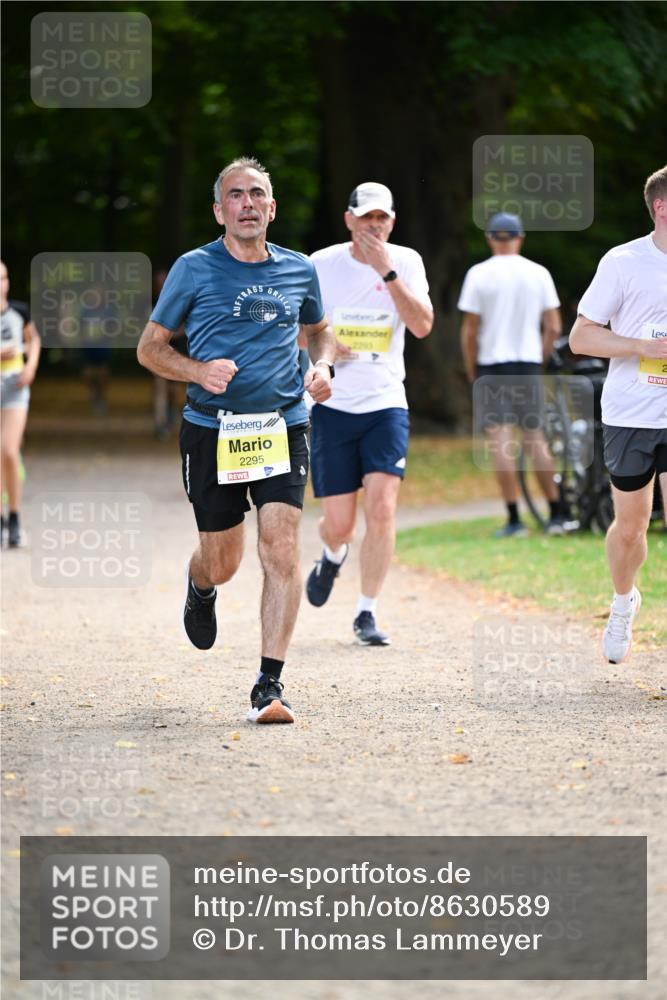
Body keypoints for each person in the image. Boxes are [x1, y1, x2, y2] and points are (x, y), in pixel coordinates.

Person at [137, 157, 336, 723]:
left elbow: (320, 332)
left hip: (283, 424)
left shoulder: (299, 270)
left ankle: (269, 685)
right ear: (219, 210)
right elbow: (149, 348)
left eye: (257, 195)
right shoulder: (193, 269)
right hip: (212, 429)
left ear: (272, 208)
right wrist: (198, 372)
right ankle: (201, 584)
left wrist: (322, 369)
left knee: (280, 547)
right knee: (223, 560)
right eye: (236, 196)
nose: (247, 203)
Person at [305, 182, 433, 645]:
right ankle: (330, 554)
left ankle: (367, 612)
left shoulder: (408, 261)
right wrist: (324, 347)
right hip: (333, 405)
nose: (374, 227)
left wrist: (389, 272)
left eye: (382, 219)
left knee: (381, 508)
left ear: (391, 223)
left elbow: (421, 326)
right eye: (366, 218)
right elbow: (294, 330)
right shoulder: (320, 264)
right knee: (339, 524)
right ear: (349, 220)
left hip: (385, 403)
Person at [570, 165, 667, 664]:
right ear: (661, 207)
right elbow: (581, 337)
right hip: (632, 411)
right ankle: (624, 600)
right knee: (632, 528)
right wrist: (643, 346)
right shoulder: (624, 262)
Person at [458, 212, 564, 537]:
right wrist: (540, 359)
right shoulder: (539, 273)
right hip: (527, 365)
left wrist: (472, 369)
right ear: (520, 237)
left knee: (501, 444)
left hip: (492, 366)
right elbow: (554, 327)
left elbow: (469, 331)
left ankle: (515, 518)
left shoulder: (478, 274)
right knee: (535, 439)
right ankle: (558, 514)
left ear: (490, 237)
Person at [0, 261, 41, 548]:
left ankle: (14, 517)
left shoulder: (19, 310)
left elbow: (34, 339)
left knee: (9, 451)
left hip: (15, 387)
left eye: (2, 277)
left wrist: (30, 367)